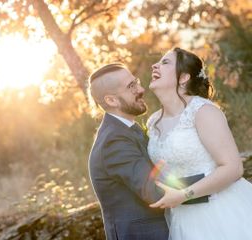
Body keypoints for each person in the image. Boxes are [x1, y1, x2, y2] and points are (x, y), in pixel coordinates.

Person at [147, 47, 252, 240]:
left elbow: (233, 168)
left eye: (165, 62)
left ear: (184, 77)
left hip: (222, 212)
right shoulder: (153, 121)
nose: (155, 65)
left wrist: (183, 195)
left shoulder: (202, 111)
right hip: (183, 219)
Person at [88, 63, 169, 240]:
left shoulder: (128, 129)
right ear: (111, 100)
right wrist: (206, 182)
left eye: (136, 82)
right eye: (131, 86)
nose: (141, 89)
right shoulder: (114, 141)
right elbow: (154, 191)